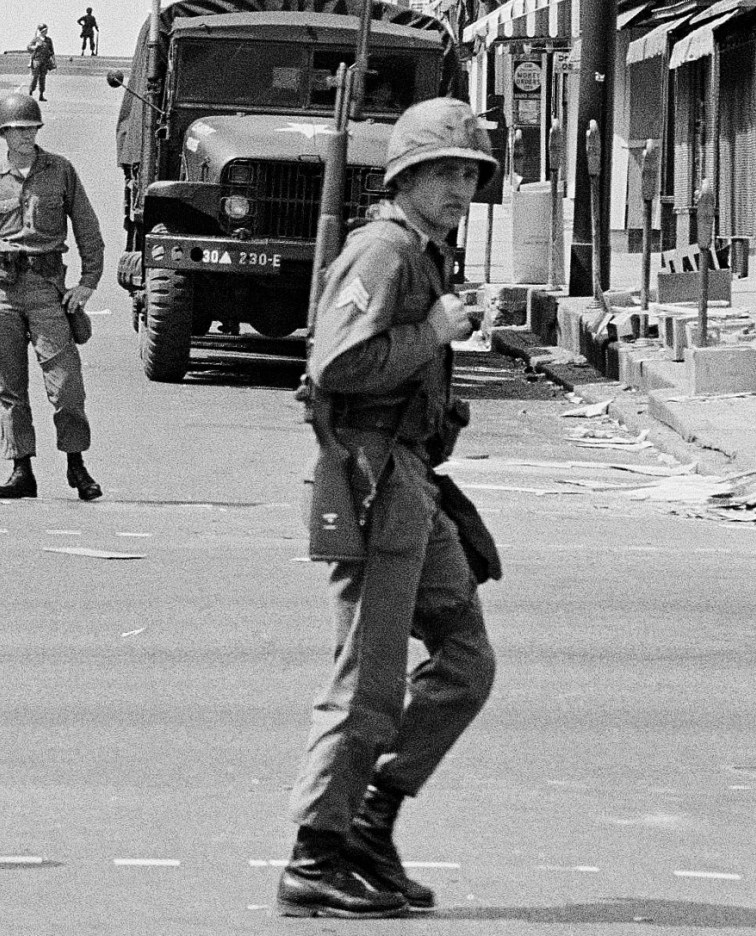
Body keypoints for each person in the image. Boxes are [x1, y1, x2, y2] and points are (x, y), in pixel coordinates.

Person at [281, 97, 500, 920]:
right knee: (366, 685)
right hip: (373, 480)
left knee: (467, 659)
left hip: (410, 479)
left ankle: (373, 821)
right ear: (406, 177)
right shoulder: (383, 252)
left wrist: (448, 323)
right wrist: (436, 330)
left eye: (468, 173)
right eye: (442, 172)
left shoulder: (424, 253)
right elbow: (336, 366)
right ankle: (315, 854)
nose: (458, 187)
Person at [0, 94, 105, 501]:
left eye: (30, 128)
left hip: (46, 288)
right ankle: (22, 470)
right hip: (1, 291)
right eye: (16, 129)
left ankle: (76, 465)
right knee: (10, 385)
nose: (24, 135)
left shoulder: (61, 171)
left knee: (66, 383)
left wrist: (87, 283)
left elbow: (87, 229)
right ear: (2, 133)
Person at [26, 25, 57, 99]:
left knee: (42, 78)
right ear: (41, 31)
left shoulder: (48, 40)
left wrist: (54, 62)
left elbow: (52, 51)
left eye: (46, 30)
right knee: (35, 77)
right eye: (44, 30)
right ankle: (31, 91)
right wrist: (35, 46)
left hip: (45, 61)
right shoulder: (36, 39)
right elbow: (28, 47)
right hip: (36, 60)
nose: (45, 32)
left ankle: (41, 94)